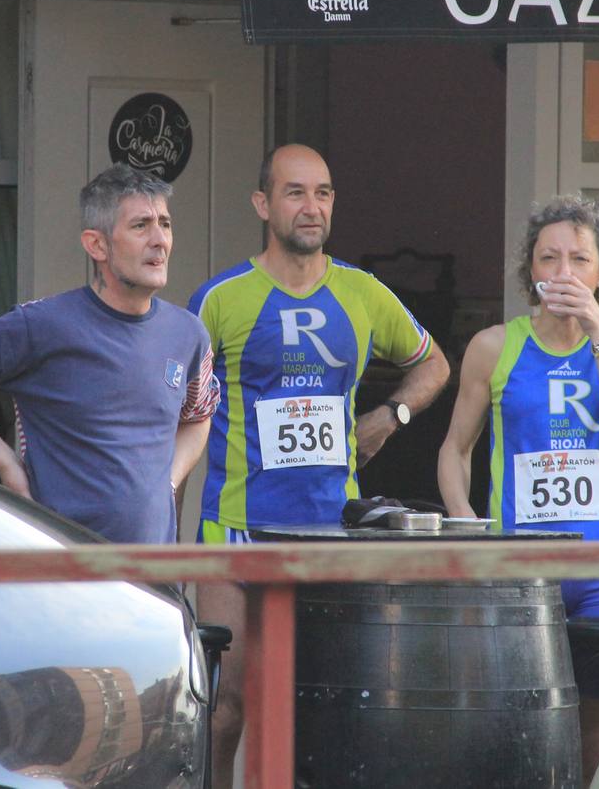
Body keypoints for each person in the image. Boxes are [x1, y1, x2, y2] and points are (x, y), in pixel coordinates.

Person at [187, 143, 450, 788]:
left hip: (332, 535)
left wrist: (390, 419)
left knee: (319, 713)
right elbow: (174, 403)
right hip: (236, 534)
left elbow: (435, 363)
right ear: (262, 204)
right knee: (224, 713)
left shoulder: (362, 292)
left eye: (324, 192)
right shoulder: (220, 297)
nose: (312, 206)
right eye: (296, 192)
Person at [437, 194, 599, 784]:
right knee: (519, 723)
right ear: (529, 272)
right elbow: (455, 450)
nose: (562, 273)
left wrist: (596, 325)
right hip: (522, 570)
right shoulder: (493, 346)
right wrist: (468, 527)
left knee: (597, 731)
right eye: (548, 258)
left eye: (579, 259)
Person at [0, 163, 219, 544]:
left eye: (164, 224)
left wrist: (167, 481)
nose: (160, 240)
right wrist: (7, 466)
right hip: (60, 579)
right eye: (141, 226)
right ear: (96, 244)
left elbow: (199, 415)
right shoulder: (43, 325)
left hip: (151, 583)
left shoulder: (188, 334)